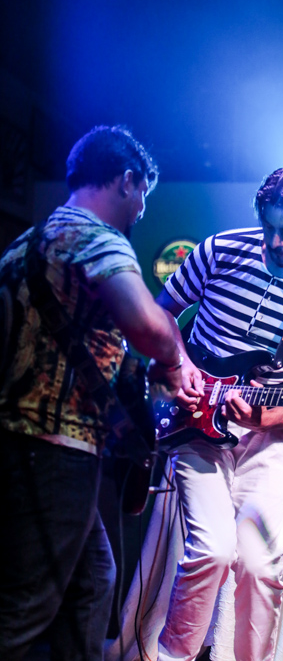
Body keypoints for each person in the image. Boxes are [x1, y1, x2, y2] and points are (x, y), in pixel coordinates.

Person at [155, 165, 283, 661]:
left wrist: (262, 420)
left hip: (266, 437)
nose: (276, 241)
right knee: (212, 551)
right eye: (269, 227)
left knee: (263, 566)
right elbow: (161, 313)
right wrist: (182, 367)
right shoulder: (220, 250)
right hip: (195, 422)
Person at [0, 125, 183, 661]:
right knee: (25, 609)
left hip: (20, 444)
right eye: (142, 196)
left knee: (93, 583)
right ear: (127, 180)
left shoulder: (23, 245)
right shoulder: (96, 237)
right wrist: (173, 358)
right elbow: (149, 329)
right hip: (55, 450)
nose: (140, 211)